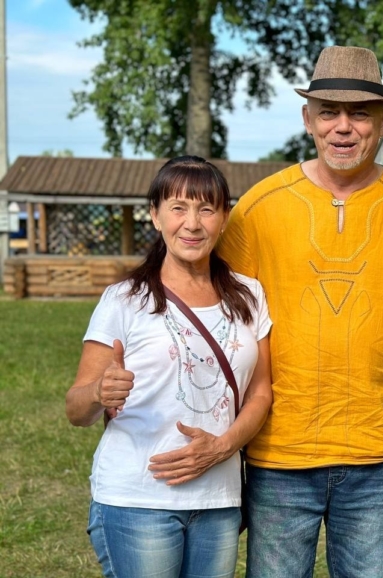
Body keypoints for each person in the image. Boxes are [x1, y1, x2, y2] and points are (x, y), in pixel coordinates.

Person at [218, 46, 383, 577]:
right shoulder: (259, 209)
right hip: (279, 453)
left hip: (377, 457)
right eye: (329, 112)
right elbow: (217, 313)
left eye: (359, 113)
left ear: (382, 123)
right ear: (307, 119)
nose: (343, 127)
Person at [65, 156, 273, 578]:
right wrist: (98, 394)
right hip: (138, 498)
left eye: (206, 209)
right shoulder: (124, 299)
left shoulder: (250, 295)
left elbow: (261, 392)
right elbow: (76, 408)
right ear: (155, 215)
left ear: (223, 217)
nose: (192, 223)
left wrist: (222, 446)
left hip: (219, 499)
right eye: (178, 207)